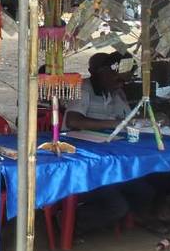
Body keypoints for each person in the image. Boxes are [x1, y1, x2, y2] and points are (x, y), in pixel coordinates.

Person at [62, 52, 154, 233]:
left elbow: (129, 118)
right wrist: (114, 123)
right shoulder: (83, 89)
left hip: (110, 158)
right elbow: (73, 121)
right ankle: (69, 223)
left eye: (123, 79)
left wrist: (149, 119)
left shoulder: (116, 92)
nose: (120, 83)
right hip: (85, 161)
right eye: (117, 78)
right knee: (117, 206)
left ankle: (136, 217)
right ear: (100, 73)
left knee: (145, 190)